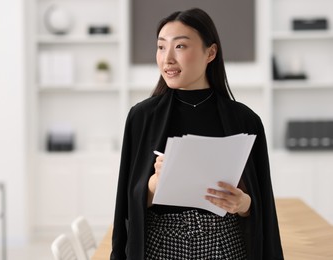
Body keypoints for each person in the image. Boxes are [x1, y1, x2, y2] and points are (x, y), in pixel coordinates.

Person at [111, 8, 283, 260]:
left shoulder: (246, 120)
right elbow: (125, 205)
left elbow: (262, 202)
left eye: (180, 46)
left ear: (210, 52)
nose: (167, 58)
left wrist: (243, 205)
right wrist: (153, 186)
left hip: (226, 247)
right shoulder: (141, 117)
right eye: (161, 47)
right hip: (159, 247)